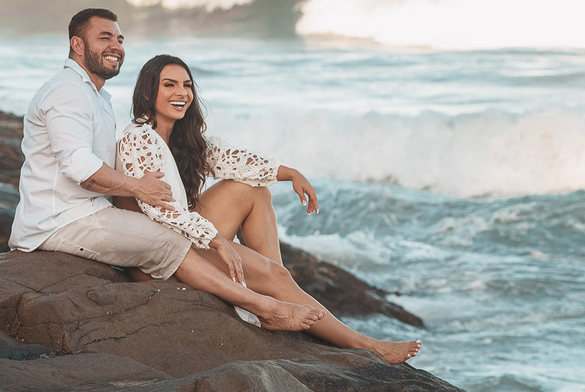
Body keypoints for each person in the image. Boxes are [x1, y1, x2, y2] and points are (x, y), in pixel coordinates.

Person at [8, 8, 324, 332]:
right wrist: (137, 187)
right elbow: (78, 165)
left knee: (239, 207)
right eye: (104, 37)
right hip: (60, 220)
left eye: (119, 38)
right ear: (77, 44)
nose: (115, 45)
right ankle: (266, 307)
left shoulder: (97, 96)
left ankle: (277, 290)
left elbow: (222, 156)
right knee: (170, 240)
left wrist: (288, 172)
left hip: (85, 210)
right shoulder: (68, 91)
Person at [113, 54, 421, 365]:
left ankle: (276, 285)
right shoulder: (138, 138)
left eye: (187, 85)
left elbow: (233, 160)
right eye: (170, 85)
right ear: (149, 92)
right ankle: (365, 345)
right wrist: (216, 240)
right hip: (157, 255)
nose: (182, 93)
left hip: (176, 237)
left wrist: (291, 173)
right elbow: (161, 210)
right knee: (274, 273)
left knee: (252, 191)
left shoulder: (181, 137)